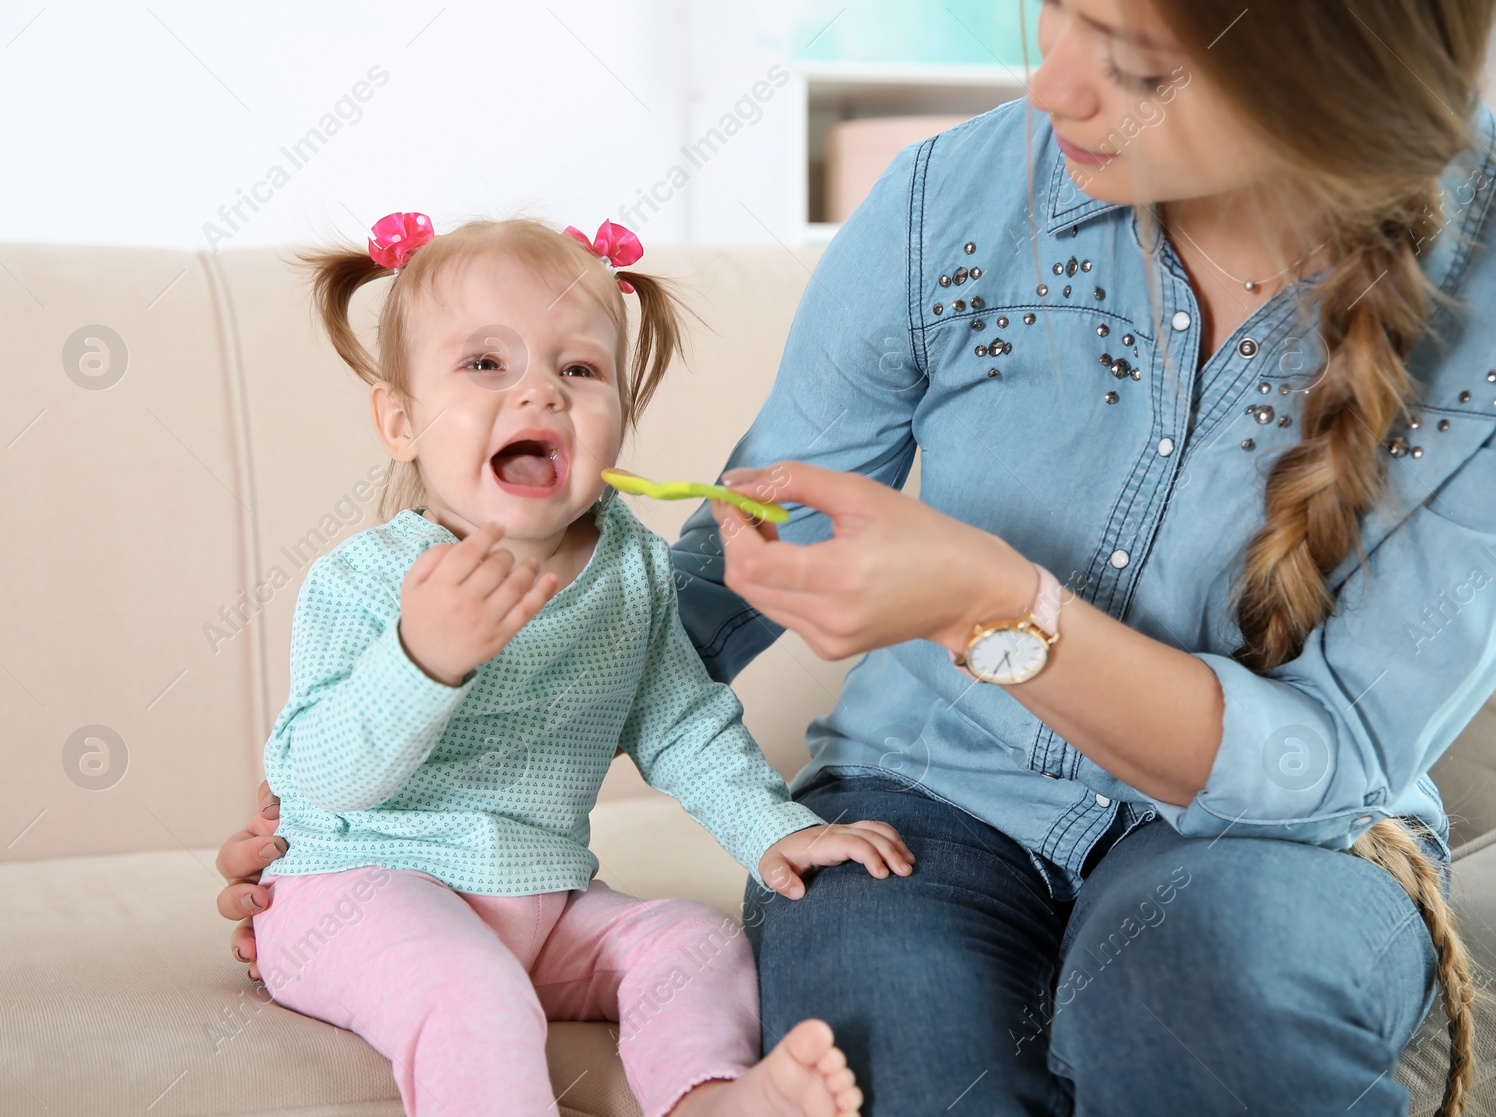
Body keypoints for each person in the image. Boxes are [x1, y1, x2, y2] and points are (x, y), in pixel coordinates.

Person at [221, 0, 1496, 1112]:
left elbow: (1327, 757)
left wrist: (996, 605)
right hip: (925, 805)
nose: (1047, 84)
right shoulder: (953, 199)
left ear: (1338, 83)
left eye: (1138, 62)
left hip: (1282, 842)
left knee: (1191, 995)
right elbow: (698, 606)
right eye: (1051, 8)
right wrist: (354, 829)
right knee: (887, 1060)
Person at [232, 211, 911, 1117]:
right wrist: (419, 661)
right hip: (355, 895)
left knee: (694, 941)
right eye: (485, 364)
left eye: (580, 369)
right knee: (471, 989)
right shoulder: (366, 580)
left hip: (537, 902)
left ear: (620, 422)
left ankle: (707, 1099)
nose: (540, 393)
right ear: (400, 421)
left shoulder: (629, 568)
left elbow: (683, 724)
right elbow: (314, 773)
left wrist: (771, 829)